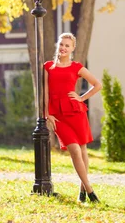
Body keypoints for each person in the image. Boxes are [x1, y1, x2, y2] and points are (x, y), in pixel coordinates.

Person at [44, 32, 102, 203]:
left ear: (72, 49)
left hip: (76, 112)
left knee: (83, 150)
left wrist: (82, 98)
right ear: (58, 45)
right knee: (75, 150)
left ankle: (82, 191)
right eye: (61, 44)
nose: (63, 48)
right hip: (58, 115)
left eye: (67, 46)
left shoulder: (76, 67)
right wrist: (47, 115)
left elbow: (97, 84)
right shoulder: (48, 67)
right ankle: (91, 191)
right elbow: (45, 93)